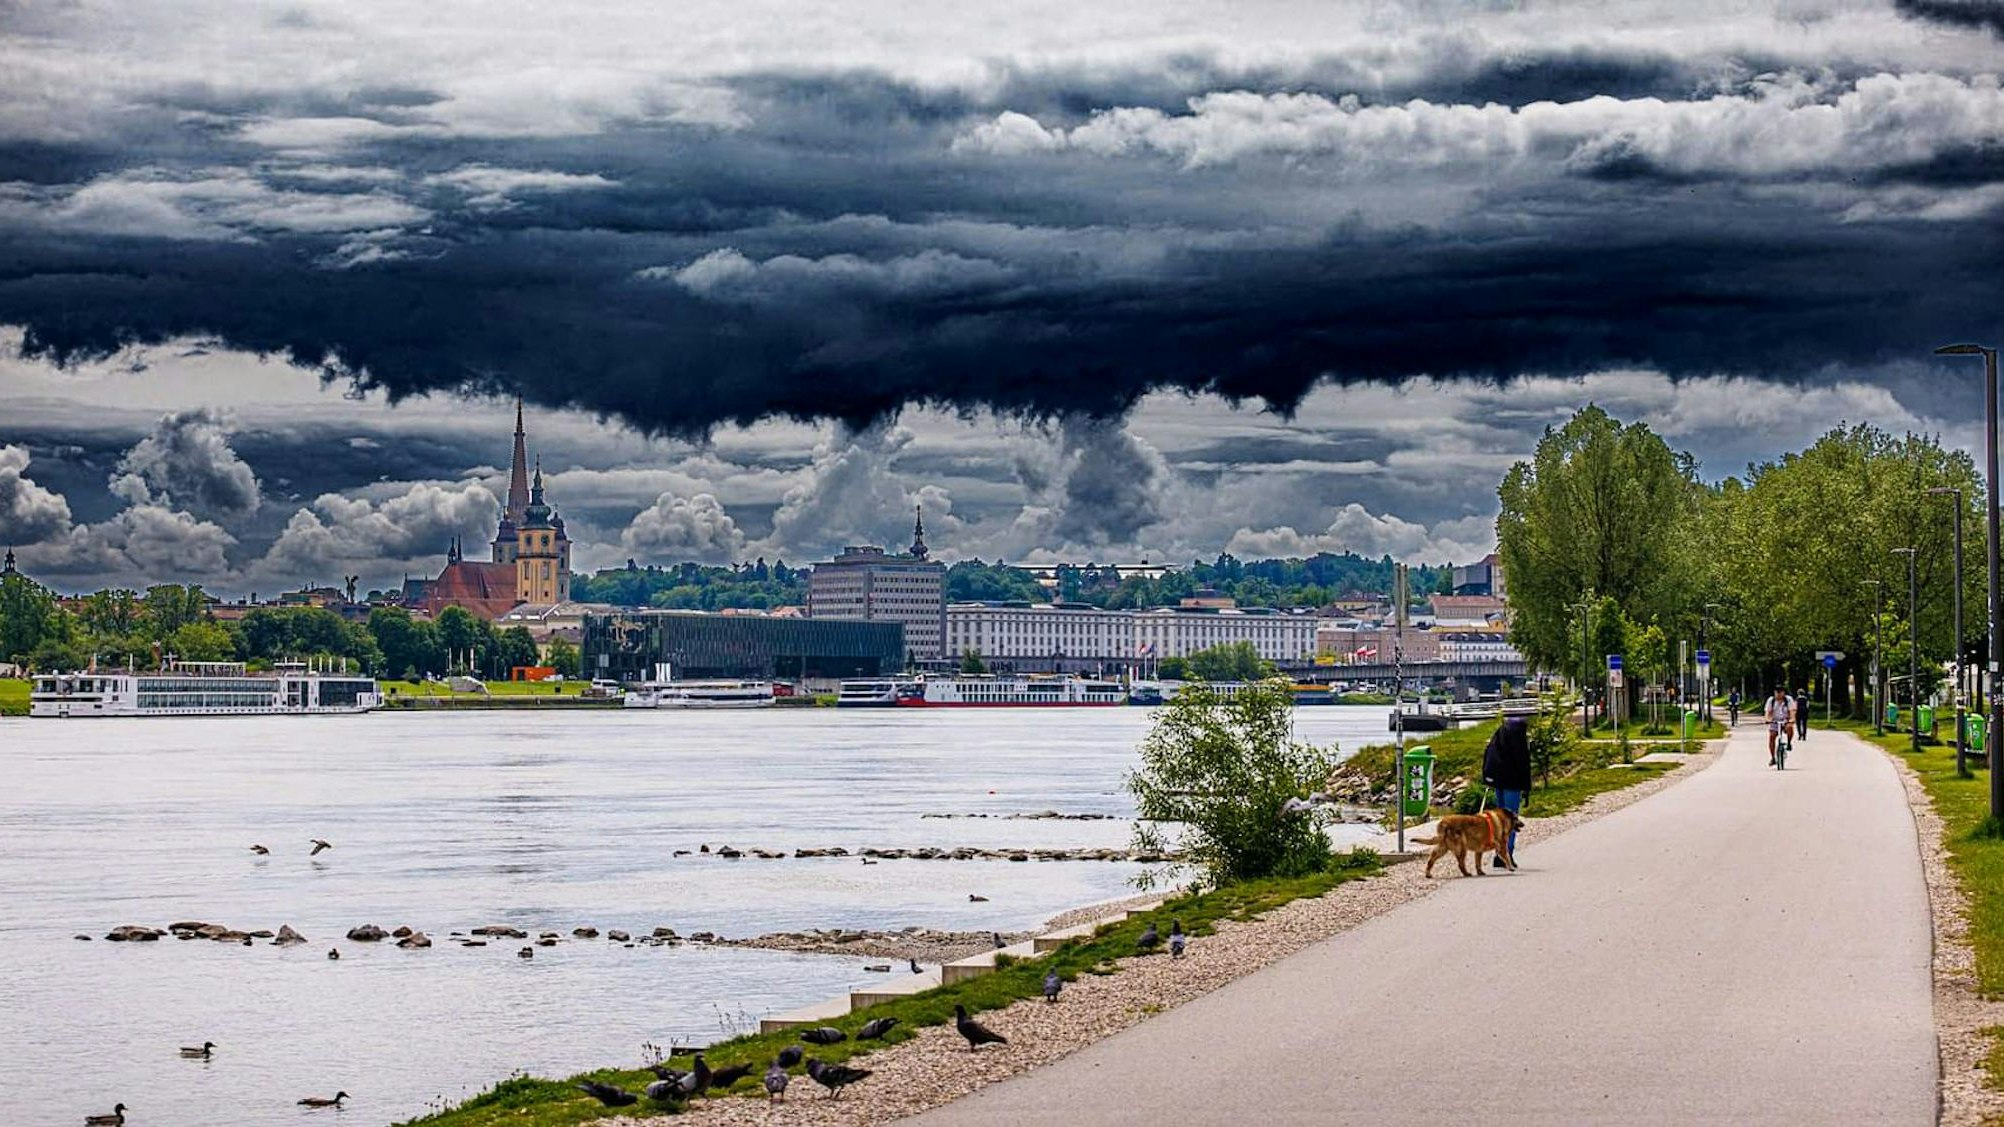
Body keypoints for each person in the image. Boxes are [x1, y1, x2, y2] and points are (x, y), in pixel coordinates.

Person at [1481, 715, 1532, 868]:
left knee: (1499, 820)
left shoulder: (1499, 735)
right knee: (1511, 820)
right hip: (1513, 783)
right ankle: (1507, 853)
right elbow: (1523, 764)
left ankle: (1498, 853)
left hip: (1498, 781)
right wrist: (1527, 787)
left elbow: (1487, 755)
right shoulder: (1519, 738)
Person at [1765, 686, 1794, 766]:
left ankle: (1789, 742)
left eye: (1780, 692)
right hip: (1774, 721)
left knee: (1789, 728)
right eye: (1777, 692)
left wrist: (1792, 719)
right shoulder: (1771, 701)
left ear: (1784, 693)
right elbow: (1768, 712)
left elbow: (1792, 711)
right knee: (1772, 736)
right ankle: (1773, 758)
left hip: (1785, 720)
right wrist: (1768, 719)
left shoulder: (1788, 700)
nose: (1778, 694)